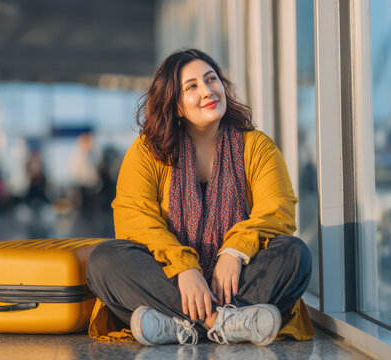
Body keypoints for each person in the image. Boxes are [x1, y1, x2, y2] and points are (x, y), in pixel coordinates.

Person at [86, 49, 314, 346]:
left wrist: (234, 251)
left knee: (295, 255)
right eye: (192, 86)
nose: (207, 91)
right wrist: (184, 267)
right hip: (171, 277)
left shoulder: (256, 145)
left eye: (211, 79)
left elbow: (278, 211)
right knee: (104, 261)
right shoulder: (147, 150)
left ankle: (174, 325)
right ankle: (223, 323)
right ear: (176, 105)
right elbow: (134, 218)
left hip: (236, 281)